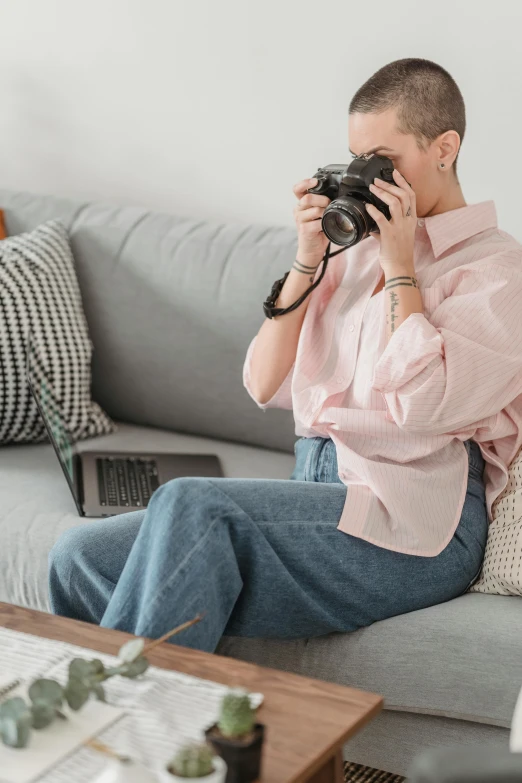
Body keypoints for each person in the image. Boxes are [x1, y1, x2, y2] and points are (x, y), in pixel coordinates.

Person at [49, 57, 522, 653]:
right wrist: (307, 260)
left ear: (445, 148)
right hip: (319, 493)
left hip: (414, 525)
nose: (368, 178)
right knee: (77, 557)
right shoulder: (351, 255)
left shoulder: (496, 270)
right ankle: (119, 723)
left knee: (195, 504)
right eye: (357, 160)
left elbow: (424, 405)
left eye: (384, 161)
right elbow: (265, 382)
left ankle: (135, 723)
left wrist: (402, 268)